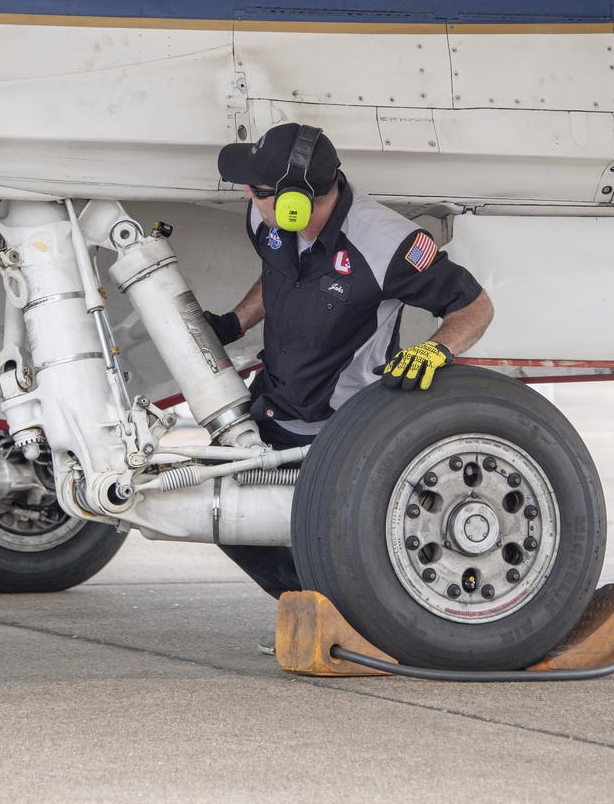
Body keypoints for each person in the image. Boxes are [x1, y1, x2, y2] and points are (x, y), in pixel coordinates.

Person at [204, 121, 494, 601]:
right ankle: (322, 610)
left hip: (341, 430)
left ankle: (347, 616)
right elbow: (275, 273)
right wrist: (237, 322)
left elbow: (474, 307)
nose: (247, 196)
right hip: (274, 405)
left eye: (257, 190)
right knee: (225, 516)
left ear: (295, 200)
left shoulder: (385, 243)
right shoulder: (266, 219)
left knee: (337, 542)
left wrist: (436, 349)